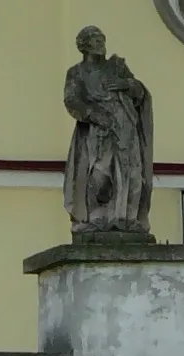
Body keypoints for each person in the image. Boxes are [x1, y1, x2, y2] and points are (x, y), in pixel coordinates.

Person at [63, 26, 154, 235]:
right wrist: (93, 114)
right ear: (84, 45)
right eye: (96, 40)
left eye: (102, 39)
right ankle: (96, 218)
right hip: (97, 131)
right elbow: (71, 100)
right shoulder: (76, 73)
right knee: (98, 176)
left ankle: (125, 218)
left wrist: (126, 84)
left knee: (131, 173)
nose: (101, 43)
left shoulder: (117, 67)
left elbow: (139, 93)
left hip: (125, 127)